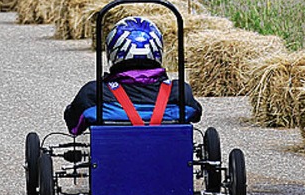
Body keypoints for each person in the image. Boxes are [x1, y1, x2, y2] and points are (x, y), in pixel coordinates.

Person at [64, 16, 202, 135]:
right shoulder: (179, 92)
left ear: (113, 51)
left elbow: (74, 126)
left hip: (111, 161)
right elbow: (196, 114)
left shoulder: (94, 93)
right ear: (157, 50)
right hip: (172, 161)